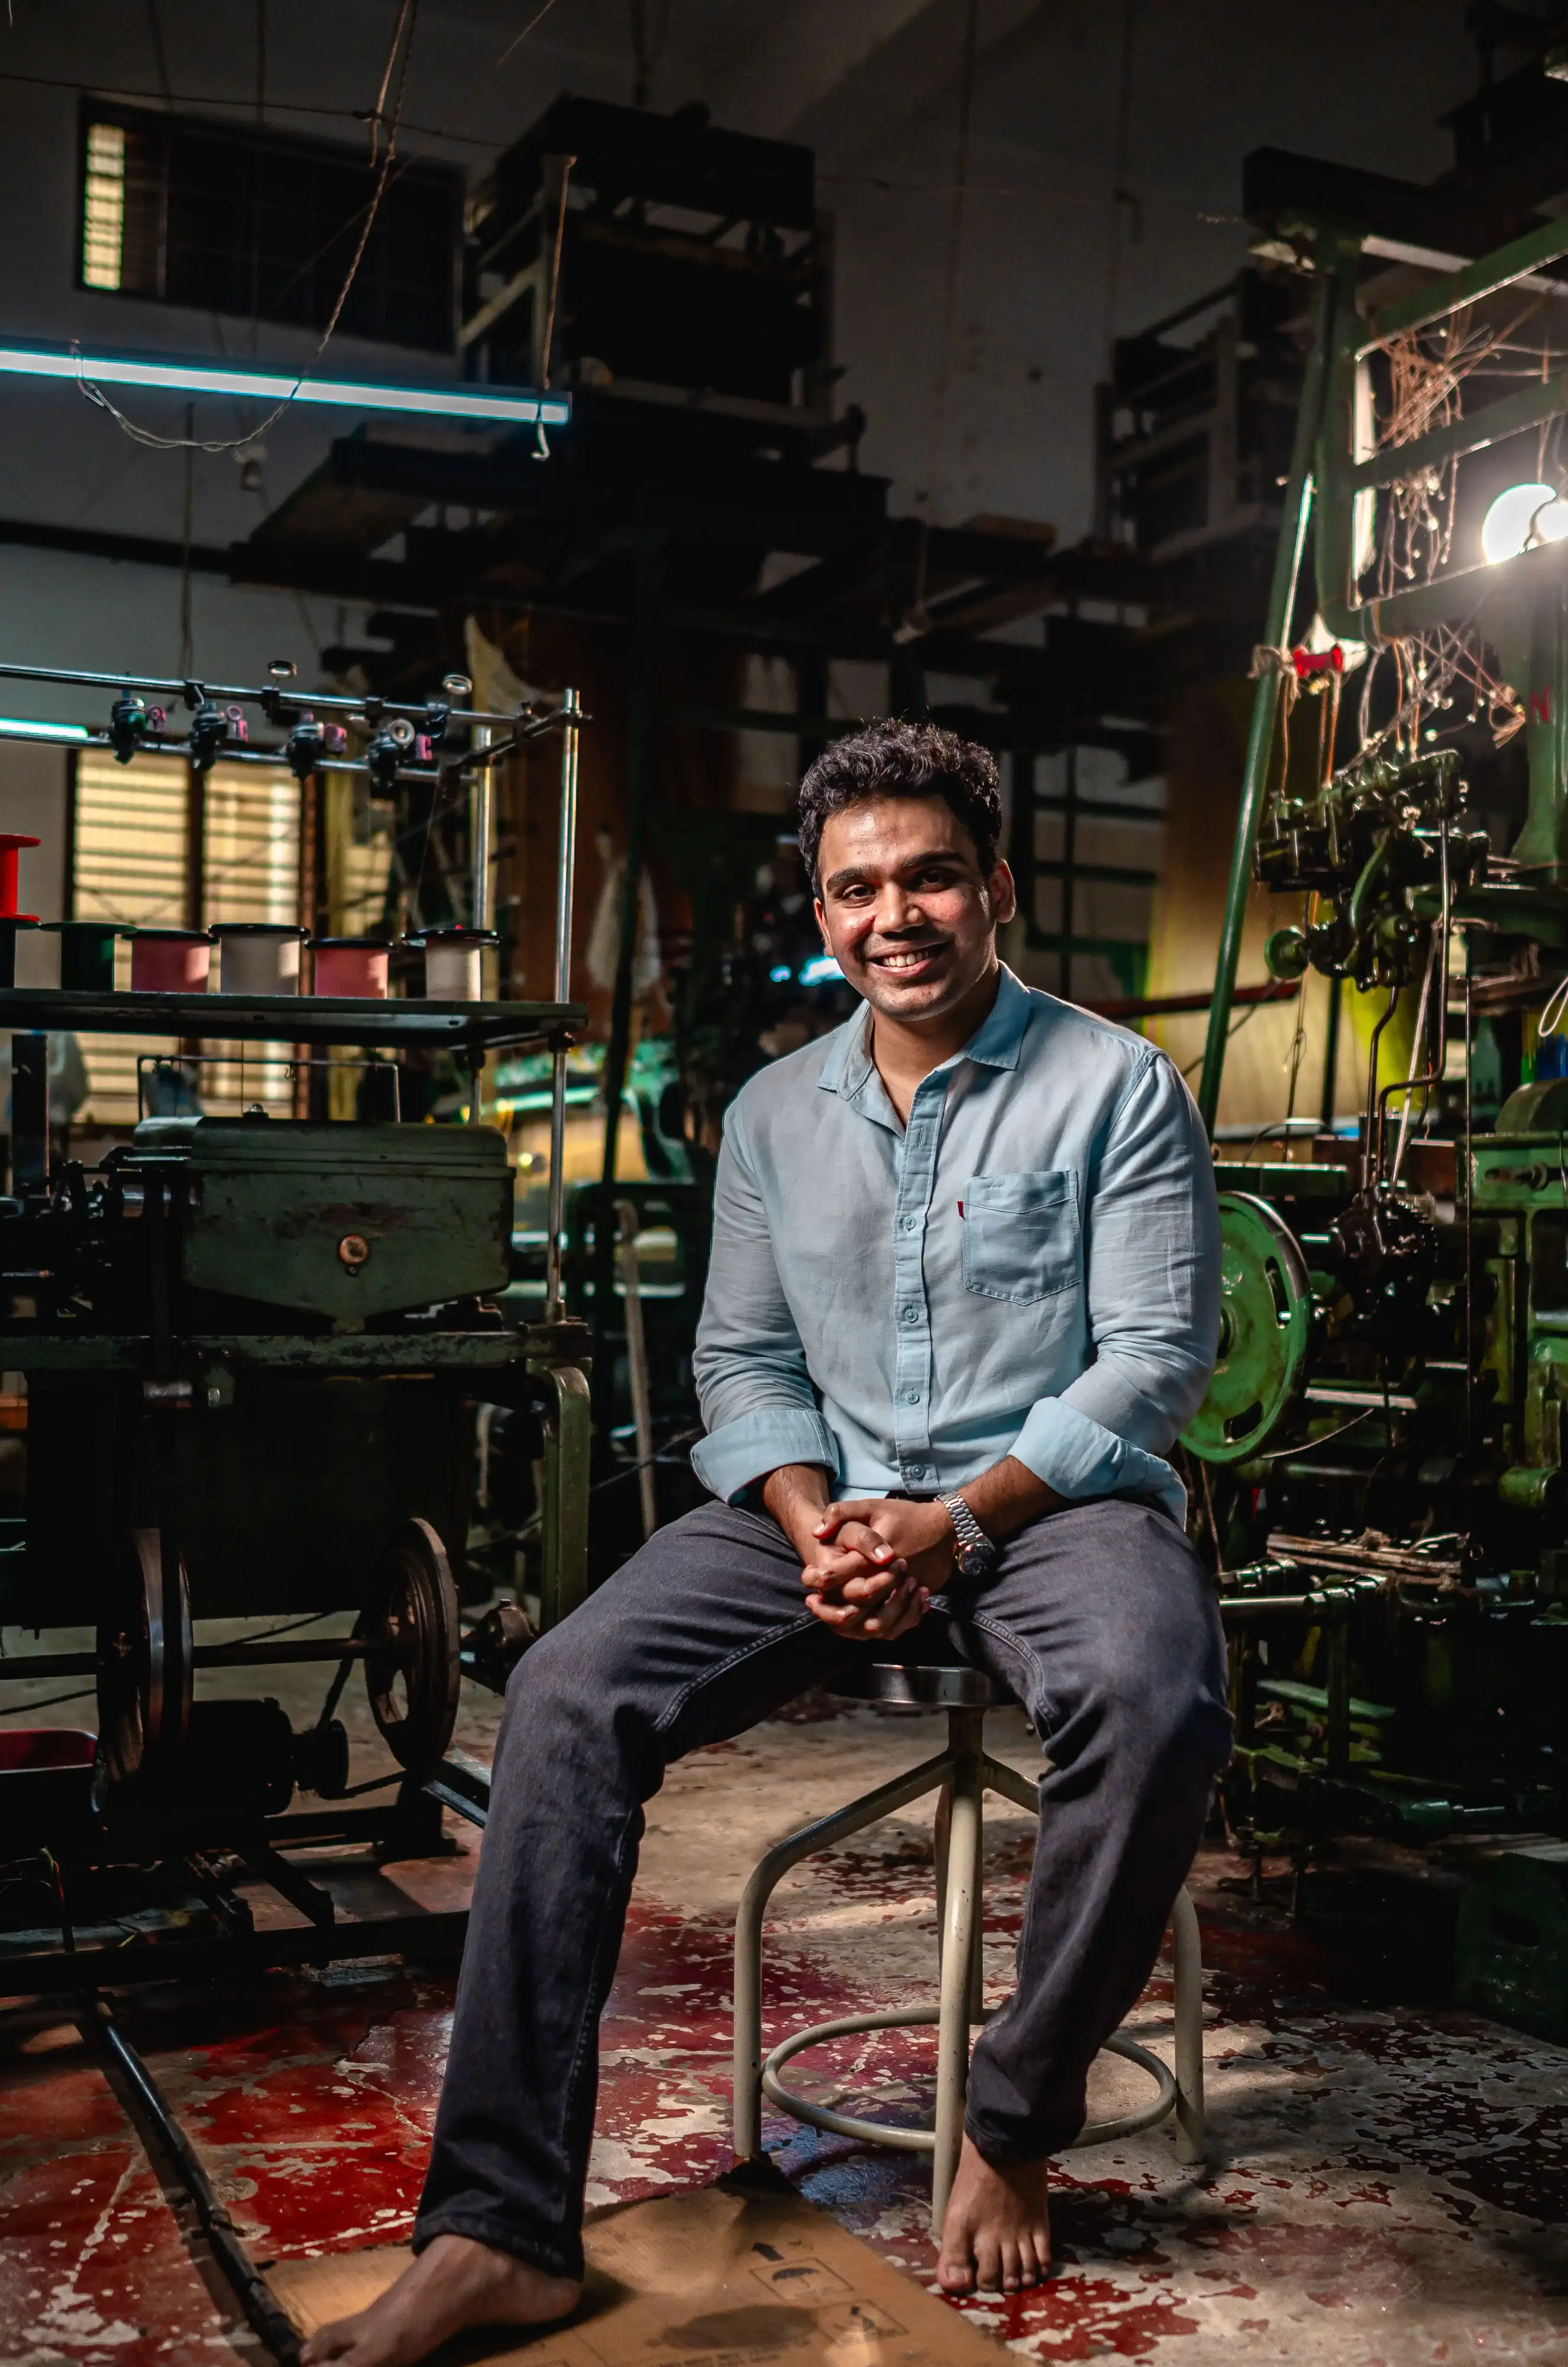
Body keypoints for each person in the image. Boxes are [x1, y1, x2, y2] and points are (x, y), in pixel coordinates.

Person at [302, 720, 1230, 2367]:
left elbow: (1151, 1363)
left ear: (996, 886)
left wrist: (948, 1527)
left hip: (1050, 1507)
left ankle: (1010, 2121)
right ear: (822, 912)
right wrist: (821, 1524)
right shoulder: (773, 1116)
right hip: (833, 1507)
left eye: (932, 875)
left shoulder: (1116, 1085)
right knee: (568, 1693)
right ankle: (499, 2230)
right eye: (857, 886)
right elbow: (743, 1366)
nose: (897, 915)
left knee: (1157, 1700)